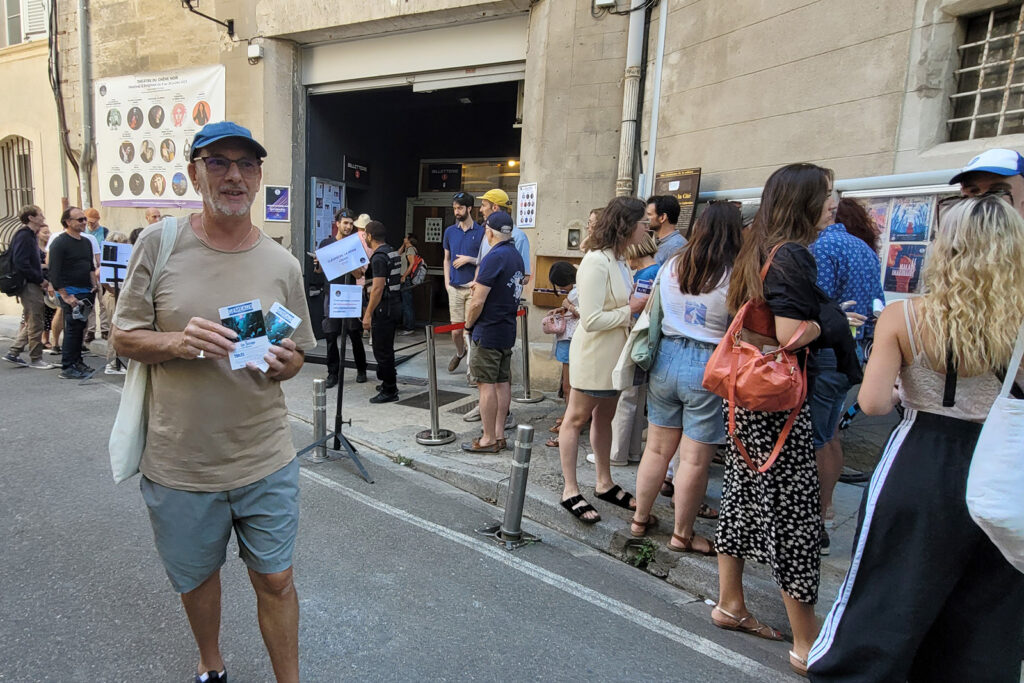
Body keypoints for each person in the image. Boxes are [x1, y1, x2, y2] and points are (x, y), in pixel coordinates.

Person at [111, 121, 315, 683]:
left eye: (247, 164)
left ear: (259, 177)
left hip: (264, 457)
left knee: (277, 579)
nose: (234, 176)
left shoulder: (282, 264)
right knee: (198, 578)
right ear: (193, 172)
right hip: (181, 462)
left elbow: (298, 352)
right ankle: (211, 662)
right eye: (218, 162)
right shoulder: (160, 244)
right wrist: (177, 342)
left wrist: (287, 363)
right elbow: (122, 336)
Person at [807, 194, 1024, 682]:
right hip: (1004, 465)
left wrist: (908, 387)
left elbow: (873, 403)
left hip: (919, 456)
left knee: (890, 589)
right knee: (990, 609)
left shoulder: (905, 317)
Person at [714, 163, 845, 676]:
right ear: (804, 202)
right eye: (828, 194)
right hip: (776, 403)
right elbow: (790, 334)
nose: (834, 202)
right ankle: (806, 641)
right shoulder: (791, 254)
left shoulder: (756, 244)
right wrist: (829, 322)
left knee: (742, 495)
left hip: (747, 395)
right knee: (794, 515)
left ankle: (730, 603)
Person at [629, 201, 743, 555]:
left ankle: (640, 519)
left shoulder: (673, 264)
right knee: (694, 459)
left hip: (665, 356)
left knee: (656, 449)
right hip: (708, 363)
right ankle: (682, 534)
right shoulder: (734, 273)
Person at [557, 196, 648, 524]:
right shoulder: (595, 261)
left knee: (604, 418)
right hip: (594, 354)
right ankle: (569, 488)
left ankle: (604, 482)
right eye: (642, 223)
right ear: (627, 225)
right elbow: (592, 319)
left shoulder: (619, 259)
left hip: (613, 355)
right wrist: (630, 309)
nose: (646, 229)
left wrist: (632, 309)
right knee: (575, 419)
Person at [808, 198, 885, 554]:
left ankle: (816, 521)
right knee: (831, 434)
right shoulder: (864, 250)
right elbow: (878, 305)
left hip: (826, 352)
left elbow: (817, 307)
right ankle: (825, 512)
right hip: (851, 355)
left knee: (817, 437)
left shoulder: (823, 249)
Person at [461, 211, 525, 452]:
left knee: (485, 384)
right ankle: (499, 434)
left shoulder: (493, 256)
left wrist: (468, 325)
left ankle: (488, 438)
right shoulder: (515, 256)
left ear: (489, 232)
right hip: (507, 326)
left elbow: (477, 301)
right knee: (501, 381)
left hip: (488, 328)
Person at [601, 232, 660, 466]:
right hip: (650, 342)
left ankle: (616, 452)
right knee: (638, 396)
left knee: (626, 396)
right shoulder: (661, 270)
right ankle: (633, 450)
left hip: (636, 337)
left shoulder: (645, 275)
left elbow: (637, 308)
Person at [316, 208, 368, 388]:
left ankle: (361, 369)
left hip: (349, 294)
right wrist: (318, 264)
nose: (348, 226)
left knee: (354, 333)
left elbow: (360, 273)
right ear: (337, 224)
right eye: (345, 223)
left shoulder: (355, 245)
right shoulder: (326, 243)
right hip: (331, 293)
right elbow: (319, 270)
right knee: (331, 335)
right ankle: (333, 373)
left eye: (351, 224)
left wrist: (346, 262)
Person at [49, 206, 100, 379]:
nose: (84, 222)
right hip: (70, 292)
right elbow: (54, 272)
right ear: (68, 222)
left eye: (84, 219)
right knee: (72, 329)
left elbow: (90, 266)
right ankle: (68, 366)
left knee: (80, 329)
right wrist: (65, 295)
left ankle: (77, 361)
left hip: (86, 291)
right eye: (80, 219)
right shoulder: (60, 243)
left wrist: (94, 284)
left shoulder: (86, 242)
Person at [3, 205, 54, 370]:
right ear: (31, 218)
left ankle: (14, 351)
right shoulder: (24, 235)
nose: (43, 217)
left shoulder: (30, 235)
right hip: (29, 284)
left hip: (31, 282)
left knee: (34, 319)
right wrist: (40, 280)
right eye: (40, 215)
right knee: (36, 320)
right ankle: (36, 358)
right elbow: (21, 263)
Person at [442, 192, 484, 373]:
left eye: (460, 208)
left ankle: (470, 369)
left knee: (469, 330)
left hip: (472, 288)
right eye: (454, 208)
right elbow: (446, 259)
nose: (456, 212)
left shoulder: (481, 232)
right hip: (454, 287)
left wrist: (470, 260)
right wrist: (446, 283)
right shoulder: (450, 232)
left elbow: (484, 260)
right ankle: (460, 353)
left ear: (469, 208)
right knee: (456, 332)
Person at [363, 220, 403, 403]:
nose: (365, 237)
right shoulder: (392, 251)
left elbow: (378, 288)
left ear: (370, 236)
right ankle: (388, 381)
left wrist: (368, 313)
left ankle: (389, 389)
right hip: (394, 304)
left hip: (384, 308)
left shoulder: (379, 257)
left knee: (381, 349)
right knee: (387, 347)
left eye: (365, 234)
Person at [545, 260, 579, 448]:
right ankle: (569, 416)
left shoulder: (577, 292)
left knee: (569, 386)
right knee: (569, 385)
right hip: (570, 339)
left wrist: (568, 306)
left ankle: (569, 423)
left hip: (572, 339)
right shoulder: (577, 288)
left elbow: (584, 314)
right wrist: (564, 308)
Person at [478, 188, 532, 285]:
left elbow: (525, 276)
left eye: (483, 205)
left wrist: (503, 284)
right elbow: (479, 266)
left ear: (495, 207)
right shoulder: (487, 233)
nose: (480, 209)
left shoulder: (519, 237)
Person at [101, 231, 130, 375]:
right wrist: (112, 290)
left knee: (120, 328)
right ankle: (112, 363)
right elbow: (102, 277)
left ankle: (119, 361)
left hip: (121, 294)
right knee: (114, 328)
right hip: (113, 295)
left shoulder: (125, 256)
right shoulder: (108, 256)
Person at [647, 195, 686, 264]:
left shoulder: (675, 247)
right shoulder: (661, 242)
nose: (645, 218)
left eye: (649, 214)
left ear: (662, 217)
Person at [398, 234, 420, 335]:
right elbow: (398, 254)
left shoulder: (411, 250)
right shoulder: (407, 249)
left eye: (406, 238)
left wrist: (404, 276)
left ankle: (409, 327)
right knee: (405, 302)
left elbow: (411, 264)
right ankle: (406, 325)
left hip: (405, 279)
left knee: (407, 303)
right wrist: (403, 245)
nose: (404, 238)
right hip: (404, 278)